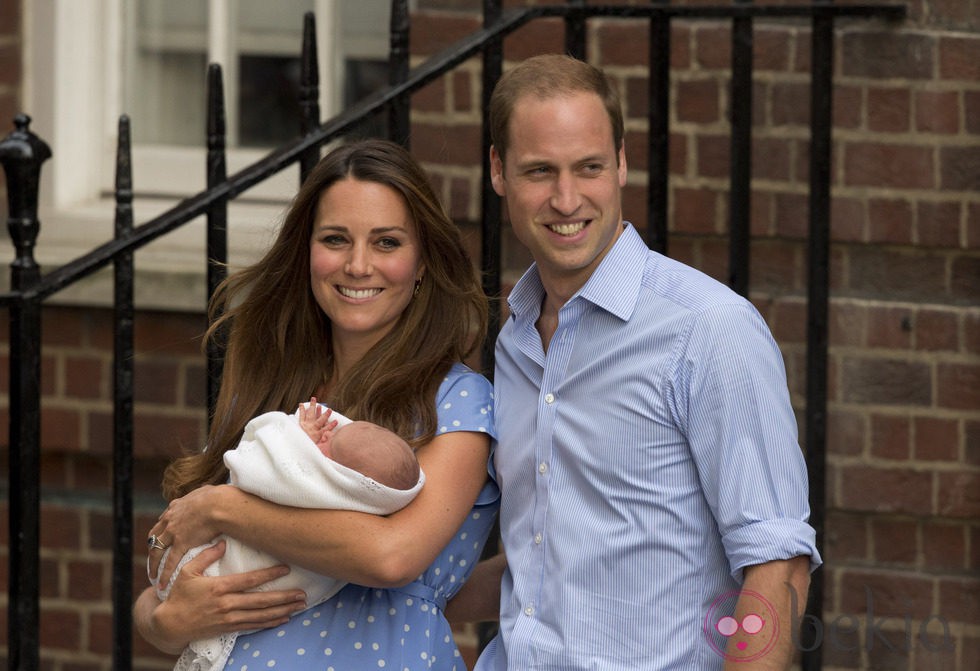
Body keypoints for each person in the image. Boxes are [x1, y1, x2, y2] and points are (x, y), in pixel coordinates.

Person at [458, 54, 821, 670]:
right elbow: (549, 556)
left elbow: (777, 564)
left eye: (589, 168)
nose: (566, 198)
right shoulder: (516, 339)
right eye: (540, 171)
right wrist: (398, 596)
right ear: (498, 171)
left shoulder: (708, 329)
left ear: (622, 163)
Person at [134, 138, 498, 671]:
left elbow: (390, 556)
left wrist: (225, 508)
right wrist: (165, 622)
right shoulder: (269, 389)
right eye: (335, 239)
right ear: (307, 252)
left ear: (422, 263)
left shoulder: (457, 401)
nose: (357, 265)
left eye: (387, 243)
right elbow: (174, 555)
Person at [151, 400, 425, 671]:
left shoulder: (321, 491)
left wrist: (296, 438)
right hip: (208, 598)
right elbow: (153, 609)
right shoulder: (365, 496)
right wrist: (165, 623)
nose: (327, 432)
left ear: (342, 475)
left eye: (331, 442)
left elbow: (263, 473)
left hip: (240, 583)